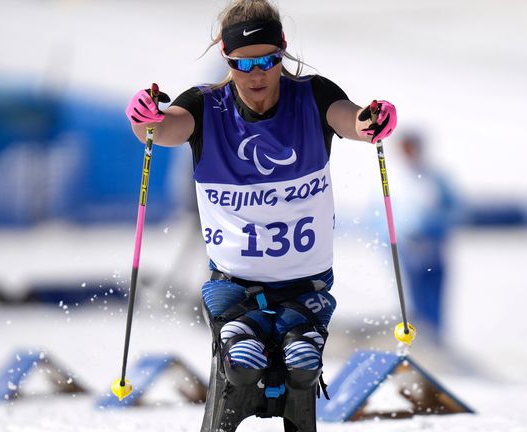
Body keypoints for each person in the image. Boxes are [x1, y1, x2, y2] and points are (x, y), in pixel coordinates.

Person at [125, 0, 397, 427]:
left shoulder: (312, 95)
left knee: (302, 366)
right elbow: (162, 129)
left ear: (282, 51)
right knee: (242, 364)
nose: (257, 74)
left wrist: (370, 122)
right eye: (243, 63)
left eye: (268, 60)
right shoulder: (206, 106)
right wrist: (144, 118)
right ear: (226, 58)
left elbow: (351, 120)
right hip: (234, 288)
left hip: (306, 286)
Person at [392, 131, 458, 345]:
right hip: (406, 248)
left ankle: (436, 341)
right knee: (412, 297)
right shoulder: (393, 178)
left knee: (435, 295)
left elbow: (454, 209)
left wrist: (435, 232)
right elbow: (381, 217)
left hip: (433, 246)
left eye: (412, 148)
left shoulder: (436, 177)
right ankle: (419, 341)